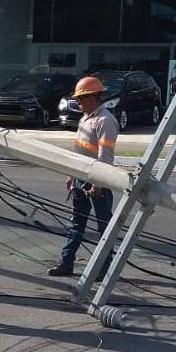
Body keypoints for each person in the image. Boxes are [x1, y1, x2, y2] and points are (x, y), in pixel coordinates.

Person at [48, 76, 119, 278]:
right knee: (76, 224)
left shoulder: (105, 121)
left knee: (103, 227)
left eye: (81, 99)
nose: (78, 103)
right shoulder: (85, 119)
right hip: (81, 180)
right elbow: (79, 152)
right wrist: (72, 176)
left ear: (93, 97)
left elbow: (105, 157)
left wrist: (98, 184)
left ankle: (104, 269)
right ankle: (66, 263)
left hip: (98, 183)